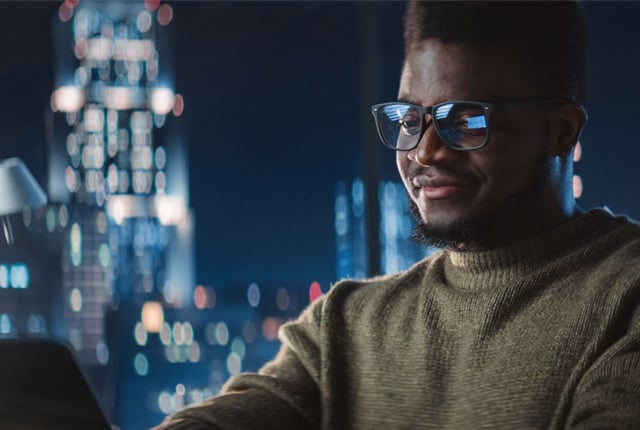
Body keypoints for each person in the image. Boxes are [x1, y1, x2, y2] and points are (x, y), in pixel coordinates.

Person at [155, 1, 640, 429]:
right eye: (411, 120)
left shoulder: (625, 302)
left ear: (561, 132)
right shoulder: (346, 325)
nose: (425, 152)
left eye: (465, 121)